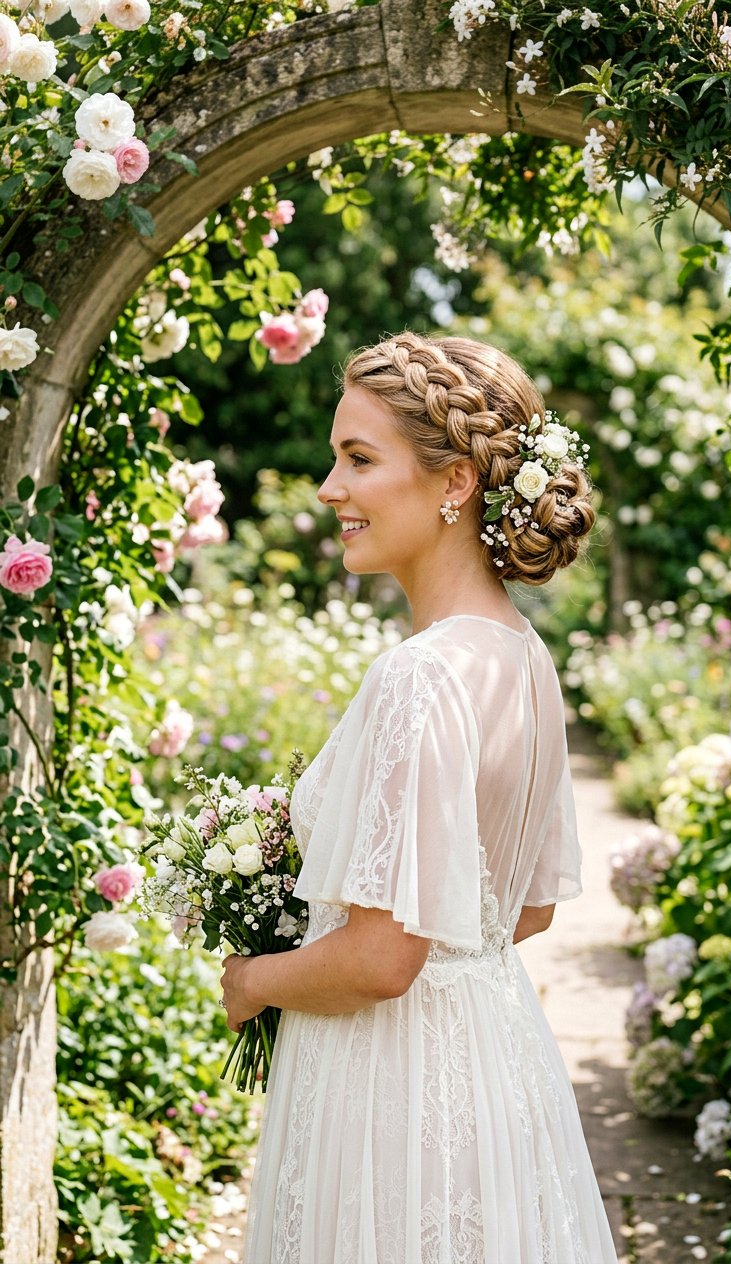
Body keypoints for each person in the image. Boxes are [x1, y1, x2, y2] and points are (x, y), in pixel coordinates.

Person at [220, 331, 618, 1262]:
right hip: (490, 1065)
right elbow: (527, 910)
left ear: (455, 483)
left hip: (389, 1088)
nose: (330, 488)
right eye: (335, 458)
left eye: (359, 458)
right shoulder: (525, 659)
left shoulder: (419, 677)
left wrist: (254, 981)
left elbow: (381, 960)